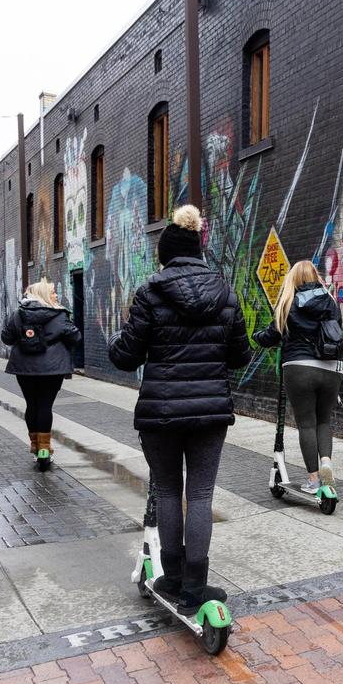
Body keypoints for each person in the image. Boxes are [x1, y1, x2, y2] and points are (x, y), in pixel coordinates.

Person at [108, 204, 251, 615]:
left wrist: (125, 337)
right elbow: (240, 356)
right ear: (199, 251)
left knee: (169, 491)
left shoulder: (150, 293)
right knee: (201, 495)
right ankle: (196, 585)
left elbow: (124, 355)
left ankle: (171, 577)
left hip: (161, 413)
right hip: (210, 412)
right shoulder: (225, 292)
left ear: (164, 255)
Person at [253, 261, 343, 494]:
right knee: (324, 421)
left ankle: (313, 480)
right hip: (331, 367)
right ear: (316, 276)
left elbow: (273, 335)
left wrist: (256, 336)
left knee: (307, 423)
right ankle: (326, 464)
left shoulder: (288, 301)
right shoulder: (331, 302)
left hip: (299, 367)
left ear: (293, 279)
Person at [1, 280, 81, 467]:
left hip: (24, 368)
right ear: (45, 295)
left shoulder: (17, 315)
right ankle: (45, 450)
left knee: (32, 405)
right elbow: (76, 337)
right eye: (52, 292)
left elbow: (7, 337)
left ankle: (36, 448)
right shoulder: (59, 315)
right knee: (45, 406)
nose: (56, 296)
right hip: (52, 369)